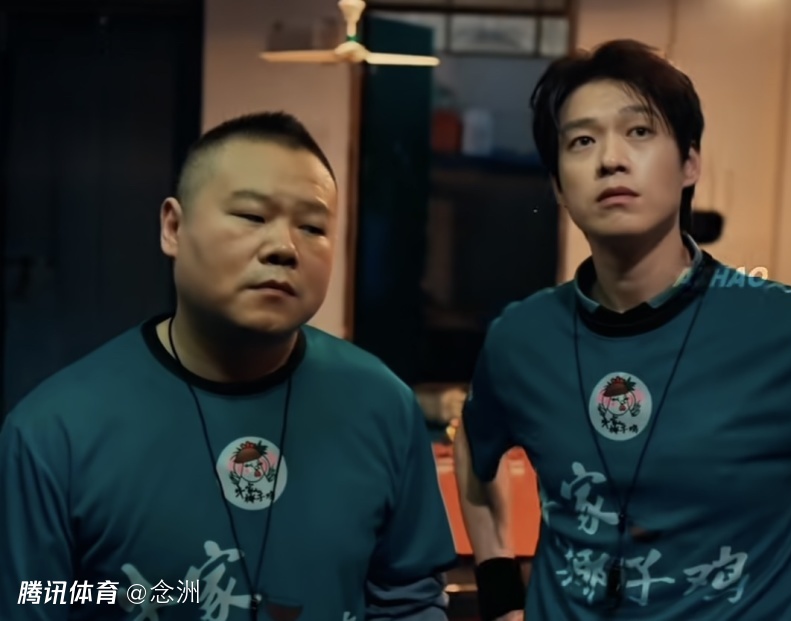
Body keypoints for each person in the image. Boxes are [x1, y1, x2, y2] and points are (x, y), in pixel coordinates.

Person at [453, 39, 791, 621]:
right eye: (582, 141)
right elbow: (473, 443)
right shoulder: (521, 338)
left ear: (690, 162)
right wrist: (500, 595)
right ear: (559, 186)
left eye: (638, 132)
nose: (610, 158)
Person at [0, 111, 458, 620]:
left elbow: (407, 600)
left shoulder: (381, 404)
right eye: (252, 216)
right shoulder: (53, 432)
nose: (284, 248)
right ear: (173, 228)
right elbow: (36, 598)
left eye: (312, 227)